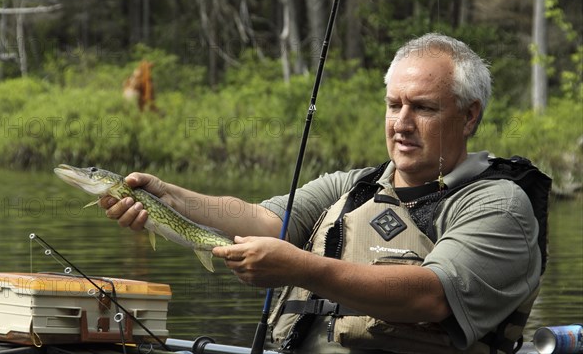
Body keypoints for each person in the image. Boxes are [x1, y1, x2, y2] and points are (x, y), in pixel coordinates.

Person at [101, 33, 546, 354]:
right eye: (394, 105)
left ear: (469, 117)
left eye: (423, 108)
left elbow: (429, 295)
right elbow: (260, 219)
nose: (401, 123)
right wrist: (167, 199)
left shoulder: (497, 204)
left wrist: (299, 267)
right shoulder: (351, 187)